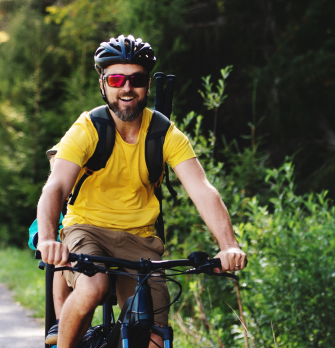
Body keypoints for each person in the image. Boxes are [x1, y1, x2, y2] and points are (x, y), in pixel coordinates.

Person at [36, 35, 247, 348]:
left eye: (135, 79)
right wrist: (48, 239)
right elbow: (55, 187)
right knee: (93, 288)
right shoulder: (88, 129)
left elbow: (202, 190)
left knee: (154, 334)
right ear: (103, 85)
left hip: (140, 240)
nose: (126, 88)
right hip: (87, 229)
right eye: (116, 79)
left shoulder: (164, 133)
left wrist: (228, 246)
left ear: (147, 86)